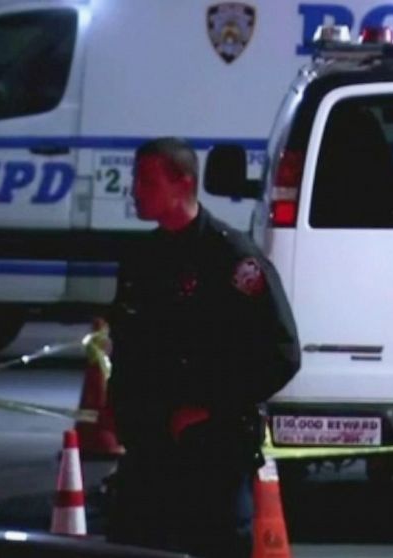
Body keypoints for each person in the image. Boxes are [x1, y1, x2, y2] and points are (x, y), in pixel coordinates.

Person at [106, 137, 300, 556]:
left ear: (183, 184)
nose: (135, 191)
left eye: (147, 181)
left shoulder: (230, 257)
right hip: (149, 452)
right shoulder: (143, 259)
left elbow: (281, 354)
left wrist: (211, 406)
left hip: (210, 452)